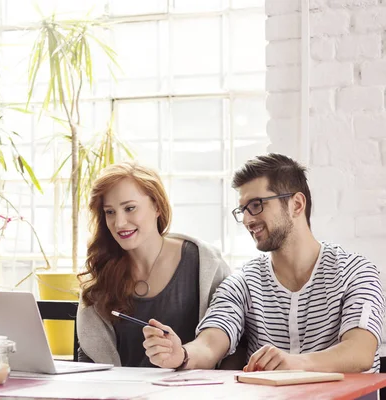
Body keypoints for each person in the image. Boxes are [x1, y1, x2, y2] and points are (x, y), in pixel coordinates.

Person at [143, 153, 385, 373]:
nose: (247, 220)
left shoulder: (356, 273)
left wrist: (294, 363)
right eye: (243, 210)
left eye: (257, 205)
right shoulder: (243, 282)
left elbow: (360, 352)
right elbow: (210, 343)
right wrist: (182, 355)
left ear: (296, 205)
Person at [76, 161, 232, 367]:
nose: (119, 223)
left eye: (130, 208)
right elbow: (89, 355)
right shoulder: (103, 272)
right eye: (110, 212)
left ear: (157, 206)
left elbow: (232, 346)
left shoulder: (204, 264)